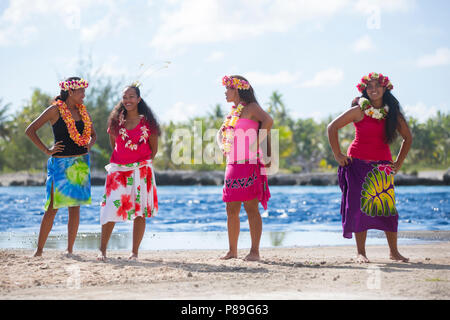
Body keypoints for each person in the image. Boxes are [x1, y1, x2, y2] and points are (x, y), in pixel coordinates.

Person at [327, 72, 412, 263]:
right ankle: (361, 252)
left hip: (382, 167)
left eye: (377, 86)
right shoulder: (359, 110)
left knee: (387, 209)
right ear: (365, 90)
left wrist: (398, 163)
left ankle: (394, 252)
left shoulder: (392, 114)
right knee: (358, 208)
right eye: (369, 87)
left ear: (385, 88)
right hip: (357, 165)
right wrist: (338, 155)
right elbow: (332, 127)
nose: (373, 90)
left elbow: (408, 138)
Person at [25, 77, 96, 257]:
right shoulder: (54, 110)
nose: (84, 95)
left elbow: (93, 135)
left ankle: (70, 250)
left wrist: (89, 144)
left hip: (80, 164)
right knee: (52, 207)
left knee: (75, 208)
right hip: (61, 164)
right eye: (81, 91)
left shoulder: (83, 112)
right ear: (70, 92)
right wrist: (46, 150)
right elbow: (30, 130)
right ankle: (39, 250)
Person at [98, 84, 160, 261]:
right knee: (110, 208)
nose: (128, 100)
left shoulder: (148, 122)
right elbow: (114, 144)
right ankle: (102, 251)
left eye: (131, 97)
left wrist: (139, 162)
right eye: (125, 97)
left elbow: (153, 149)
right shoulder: (116, 121)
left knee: (140, 212)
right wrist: (124, 161)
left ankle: (134, 252)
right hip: (118, 170)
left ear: (139, 99)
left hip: (142, 170)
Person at [217, 75, 273, 261]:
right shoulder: (233, 113)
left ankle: (254, 251)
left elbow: (268, 121)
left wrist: (257, 142)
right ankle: (232, 251)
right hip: (232, 164)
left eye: (228, 88)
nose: (225, 92)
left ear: (238, 89)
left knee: (251, 207)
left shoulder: (251, 108)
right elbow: (221, 133)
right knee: (231, 208)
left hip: (249, 163)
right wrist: (221, 145)